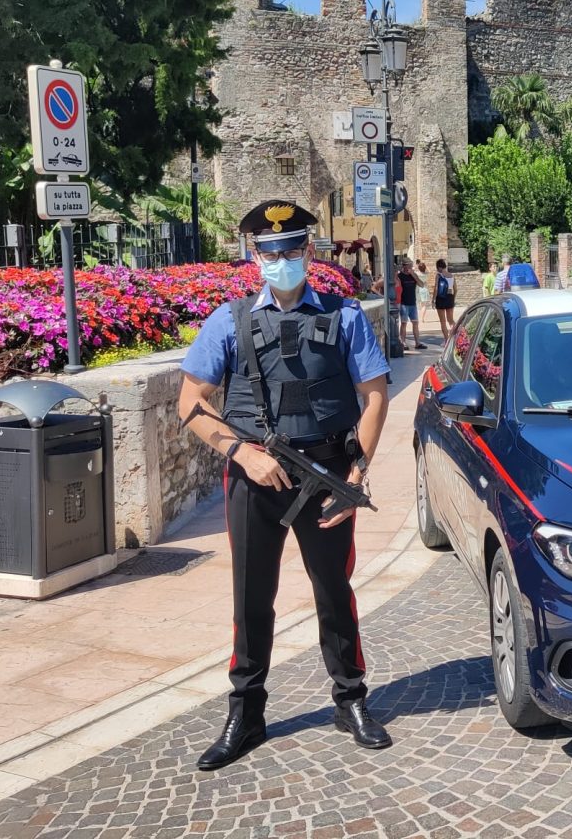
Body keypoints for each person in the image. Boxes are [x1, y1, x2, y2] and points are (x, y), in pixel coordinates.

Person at [176, 200, 394, 770]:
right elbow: (191, 403)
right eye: (270, 252)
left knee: (334, 591)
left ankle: (350, 700)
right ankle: (246, 712)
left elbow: (374, 397)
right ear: (254, 255)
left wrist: (356, 473)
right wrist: (240, 452)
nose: (281, 260)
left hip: (325, 476)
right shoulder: (230, 320)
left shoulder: (346, 318)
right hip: (255, 477)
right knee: (251, 597)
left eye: (291, 250)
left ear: (309, 252)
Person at [393, 257, 426, 351]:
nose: (411, 267)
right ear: (404, 266)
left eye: (411, 265)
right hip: (404, 303)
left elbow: (421, 284)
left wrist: (413, 275)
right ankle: (403, 342)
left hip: (412, 303)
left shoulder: (413, 275)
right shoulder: (400, 276)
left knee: (415, 322)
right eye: (409, 265)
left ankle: (417, 343)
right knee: (404, 323)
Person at [431, 258, 457, 342]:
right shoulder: (451, 276)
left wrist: (433, 300)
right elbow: (455, 289)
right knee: (451, 320)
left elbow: (436, 288)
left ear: (439, 267)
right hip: (450, 297)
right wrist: (453, 298)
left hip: (441, 298)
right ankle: (456, 337)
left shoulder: (438, 275)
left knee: (443, 321)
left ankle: (446, 340)